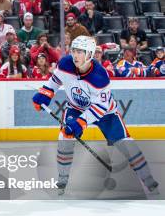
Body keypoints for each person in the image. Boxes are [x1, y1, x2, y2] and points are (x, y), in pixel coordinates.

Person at [32, 36, 159, 194]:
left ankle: (148, 179)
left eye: (80, 52)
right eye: (74, 51)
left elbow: (100, 107)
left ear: (90, 54)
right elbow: (56, 79)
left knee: (127, 144)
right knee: (65, 138)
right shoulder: (65, 63)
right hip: (75, 108)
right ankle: (62, 179)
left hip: (106, 113)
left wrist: (80, 123)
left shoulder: (100, 76)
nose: (75, 55)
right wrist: (45, 93)